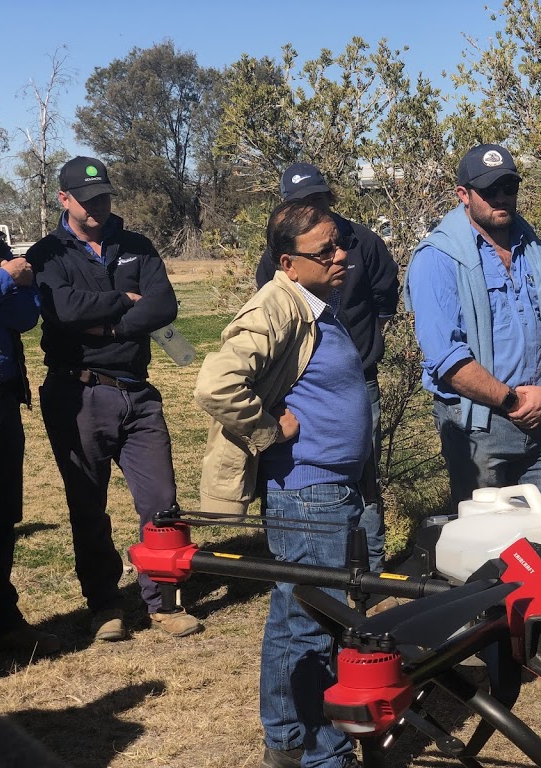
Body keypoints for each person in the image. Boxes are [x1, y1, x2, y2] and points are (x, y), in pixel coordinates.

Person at [195, 199, 370, 768]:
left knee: (300, 615)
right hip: (307, 490)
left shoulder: (318, 301)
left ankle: (290, 741)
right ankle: (319, 753)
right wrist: (270, 431)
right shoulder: (277, 305)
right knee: (313, 622)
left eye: (340, 241)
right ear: (289, 263)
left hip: (337, 488)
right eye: (326, 251)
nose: (341, 254)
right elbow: (216, 386)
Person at [28, 156, 200, 642]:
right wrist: (126, 304)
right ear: (64, 200)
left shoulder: (136, 246)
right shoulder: (46, 254)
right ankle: (105, 605)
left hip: (138, 393)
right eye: (87, 200)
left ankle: (162, 602)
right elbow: (61, 309)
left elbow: (164, 305)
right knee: (87, 505)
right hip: (76, 393)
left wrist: (105, 325)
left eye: (104, 196)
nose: (99, 205)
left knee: (161, 503)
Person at [405, 144, 541, 508]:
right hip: (478, 425)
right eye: (488, 190)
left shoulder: (539, 253)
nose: (500, 198)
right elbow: (448, 360)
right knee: (491, 547)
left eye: (508, 187)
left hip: (539, 420)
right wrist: (512, 400)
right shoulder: (437, 259)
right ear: (463, 195)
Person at [255, 163, 397, 571]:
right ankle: (324, 569)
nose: (314, 208)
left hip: (359, 382)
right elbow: (272, 324)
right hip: (306, 390)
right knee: (318, 480)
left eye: (319, 198)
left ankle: (370, 576)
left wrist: (355, 352)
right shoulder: (278, 258)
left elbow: (385, 301)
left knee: (363, 482)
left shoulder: (362, 243)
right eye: (303, 203)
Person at [0, 148, 59, 657]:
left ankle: (2, 625)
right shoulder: (6, 258)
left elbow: (28, 315)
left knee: (1, 518)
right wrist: (6, 280)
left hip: (3, 398)